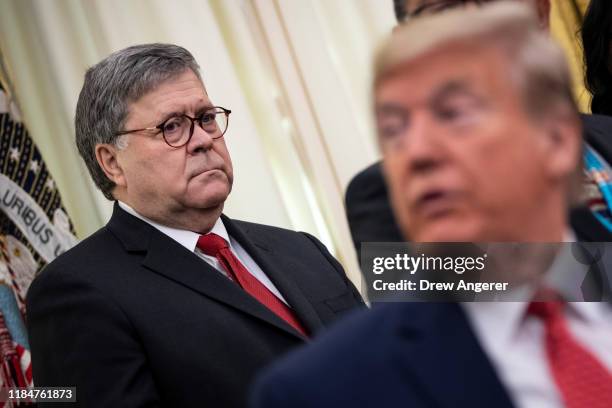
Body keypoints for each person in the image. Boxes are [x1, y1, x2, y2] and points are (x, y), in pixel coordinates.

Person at [251, 3, 612, 407]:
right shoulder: (315, 392)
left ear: (558, 140)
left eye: (454, 114)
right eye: (394, 129)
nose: (416, 152)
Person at [26, 43, 364, 408]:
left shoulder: (302, 248)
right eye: (172, 127)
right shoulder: (76, 292)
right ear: (112, 163)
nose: (203, 139)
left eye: (206, 118)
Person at [345, 0, 612, 250]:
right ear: (405, 39)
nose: (474, 23)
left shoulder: (604, 134)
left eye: (492, 3)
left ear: (541, 12)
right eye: (444, 10)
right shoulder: (390, 196)